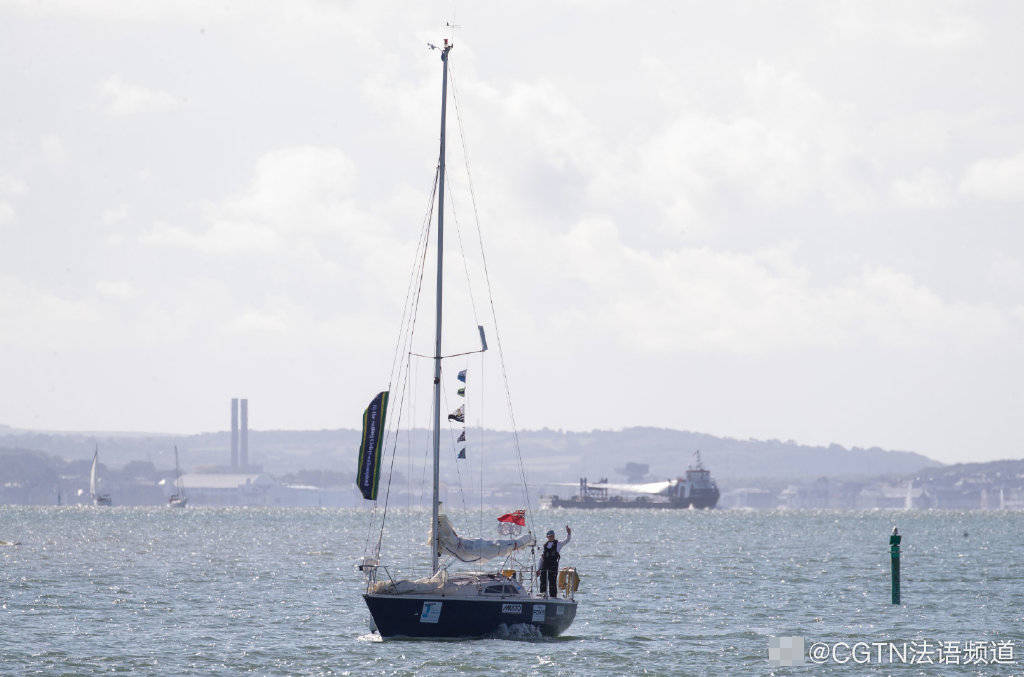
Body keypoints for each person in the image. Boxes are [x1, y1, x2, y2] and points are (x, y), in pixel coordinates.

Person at [536, 524, 571, 598]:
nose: (551, 537)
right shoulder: (544, 546)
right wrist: (538, 569)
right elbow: (541, 558)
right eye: (550, 536)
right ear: (547, 537)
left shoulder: (558, 544)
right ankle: (543, 594)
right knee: (543, 580)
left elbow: (566, 541)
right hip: (544, 565)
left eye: (552, 535)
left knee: (552, 581)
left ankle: (553, 596)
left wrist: (568, 533)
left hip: (553, 565)